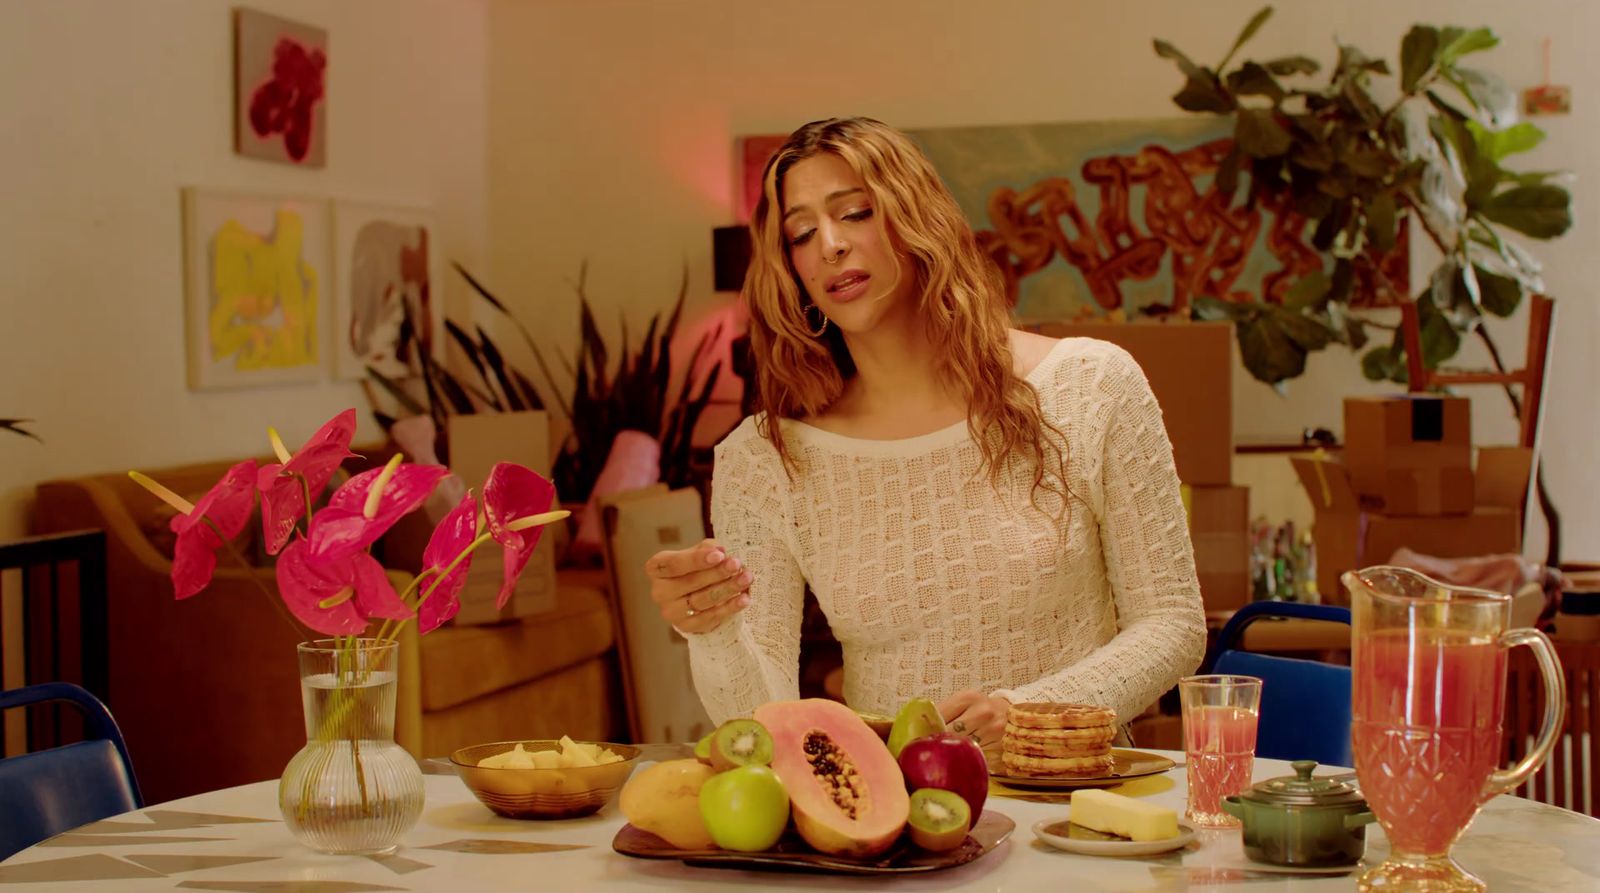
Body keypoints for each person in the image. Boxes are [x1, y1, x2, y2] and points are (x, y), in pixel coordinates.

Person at [646, 117, 1207, 755]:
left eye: (855, 212)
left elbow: (1173, 626)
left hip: (1070, 803)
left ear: (919, 217)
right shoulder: (763, 458)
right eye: (801, 233)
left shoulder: (1091, 385)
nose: (829, 244)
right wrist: (712, 630)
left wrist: (1024, 713)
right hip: (892, 822)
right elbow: (760, 720)